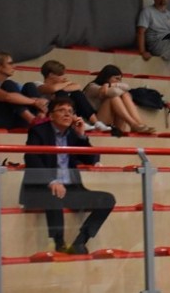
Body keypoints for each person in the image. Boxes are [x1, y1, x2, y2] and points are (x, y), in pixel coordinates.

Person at [19, 96, 116, 254]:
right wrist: (52, 181)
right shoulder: (38, 131)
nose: (67, 114)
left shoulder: (73, 134)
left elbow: (91, 159)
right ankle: (59, 244)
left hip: (70, 189)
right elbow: (31, 159)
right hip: (43, 189)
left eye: (70, 111)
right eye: (62, 110)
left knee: (107, 199)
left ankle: (80, 241)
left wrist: (81, 136)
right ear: (51, 115)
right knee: (54, 195)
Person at [36, 60, 110, 131]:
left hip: (66, 110)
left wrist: (64, 86)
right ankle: (76, 121)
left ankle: (96, 123)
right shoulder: (38, 84)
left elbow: (77, 86)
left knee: (77, 93)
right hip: (51, 111)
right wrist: (67, 83)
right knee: (60, 93)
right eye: (60, 75)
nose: (63, 77)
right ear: (51, 75)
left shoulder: (61, 86)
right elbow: (53, 89)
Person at [83, 65, 155, 134]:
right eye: (116, 79)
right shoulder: (92, 87)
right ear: (107, 78)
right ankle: (132, 124)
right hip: (94, 123)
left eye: (120, 80)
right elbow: (113, 92)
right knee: (113, 97)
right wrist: (111, 86)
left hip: (111, 123)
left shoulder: (111, 86)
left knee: (125, 94)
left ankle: (139, 123)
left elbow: (127, 87)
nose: (119, 82)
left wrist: (110, 85)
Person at [0, 52, 47, 129]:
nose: (14, 66)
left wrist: (41, 106)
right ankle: (32, 119)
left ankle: (41, 118)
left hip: (15, 118)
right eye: (10, 64)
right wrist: (35, 101)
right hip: (0, 119)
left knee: (29, 85)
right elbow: (8, 97)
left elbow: (23, 96)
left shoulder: (15, 84)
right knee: (8, 84)